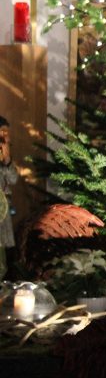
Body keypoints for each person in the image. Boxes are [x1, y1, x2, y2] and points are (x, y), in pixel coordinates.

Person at [0, 116, 16, 281]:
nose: (5, 136)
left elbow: (13, 179)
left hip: (3, 211)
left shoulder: (4, 158)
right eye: (3, 132)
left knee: (5, 251)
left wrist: (7, 160)